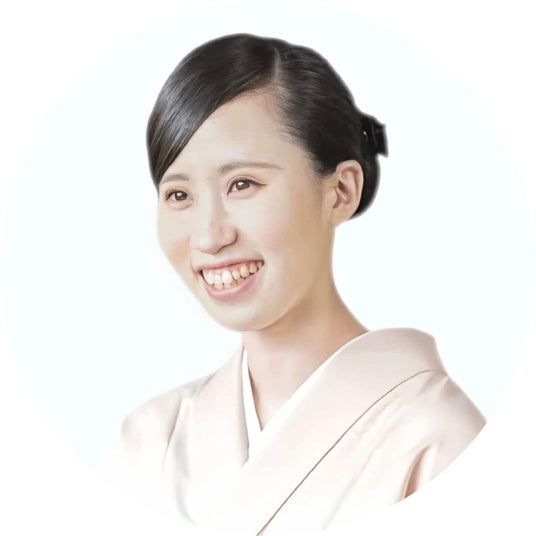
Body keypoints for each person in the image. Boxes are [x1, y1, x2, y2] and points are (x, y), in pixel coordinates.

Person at [114, 33, 486, 533]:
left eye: (242, 184)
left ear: (341, 191)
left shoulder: (438, 437)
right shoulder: (150, 440)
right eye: (178, 195)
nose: (208, 236)